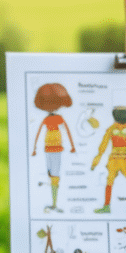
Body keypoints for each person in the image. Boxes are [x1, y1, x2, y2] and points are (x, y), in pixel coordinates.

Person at [29, 82, 74, 213]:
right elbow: (38, 133)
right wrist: (35, 148)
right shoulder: (47, 120)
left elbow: (67, 131)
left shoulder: (58, 119)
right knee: (52, 174)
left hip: (55, 149)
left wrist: (72, 146)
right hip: (48, 148)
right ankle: (53, 201)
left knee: (55, 175)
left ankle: (54, 203)